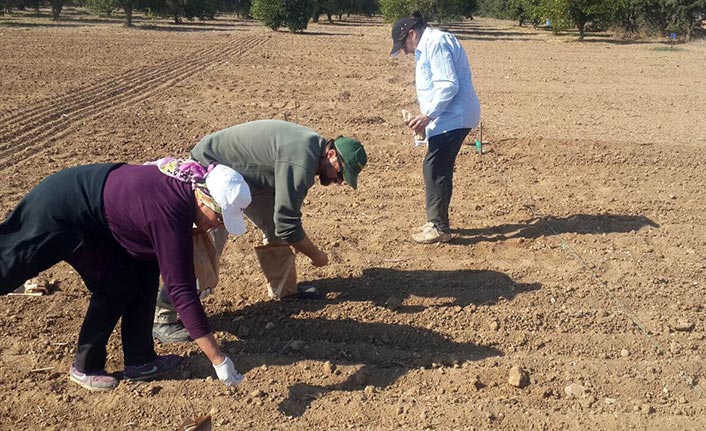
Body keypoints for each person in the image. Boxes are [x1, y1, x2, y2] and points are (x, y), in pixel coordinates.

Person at [0, 159, 250, 391]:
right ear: (203, 200)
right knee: (115, 285)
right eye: (219, 218)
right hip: (62, 210)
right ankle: (84, 367)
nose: (219, 225)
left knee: (146, 266)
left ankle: (140, 360)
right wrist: (218, 360)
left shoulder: (187, 189)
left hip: (96, 212)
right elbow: (182, 292)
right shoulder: (170, 213)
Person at [152, 119, 367, 343]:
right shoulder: (302, 161)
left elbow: (282, 219)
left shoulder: (311, 150)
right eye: (340, 173)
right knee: (209, 239)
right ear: (331, 154)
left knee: (274, 225)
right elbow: (288, 224)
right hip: (214, 167)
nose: (339, 181)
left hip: (250, 176)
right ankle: (163, 317)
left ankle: (284, 290)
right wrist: (317, 256)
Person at [390, 11, 481, 244]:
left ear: (412, 33)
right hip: (447, 117)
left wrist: (427, 116)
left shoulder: (436, 42)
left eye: (403, 44)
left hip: (455, 116)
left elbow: (448, 85)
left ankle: (439, 226)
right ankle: (437, 222)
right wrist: (425, 122)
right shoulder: (427, 46)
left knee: (435, 167)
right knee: (436, 167)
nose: (404, 50)